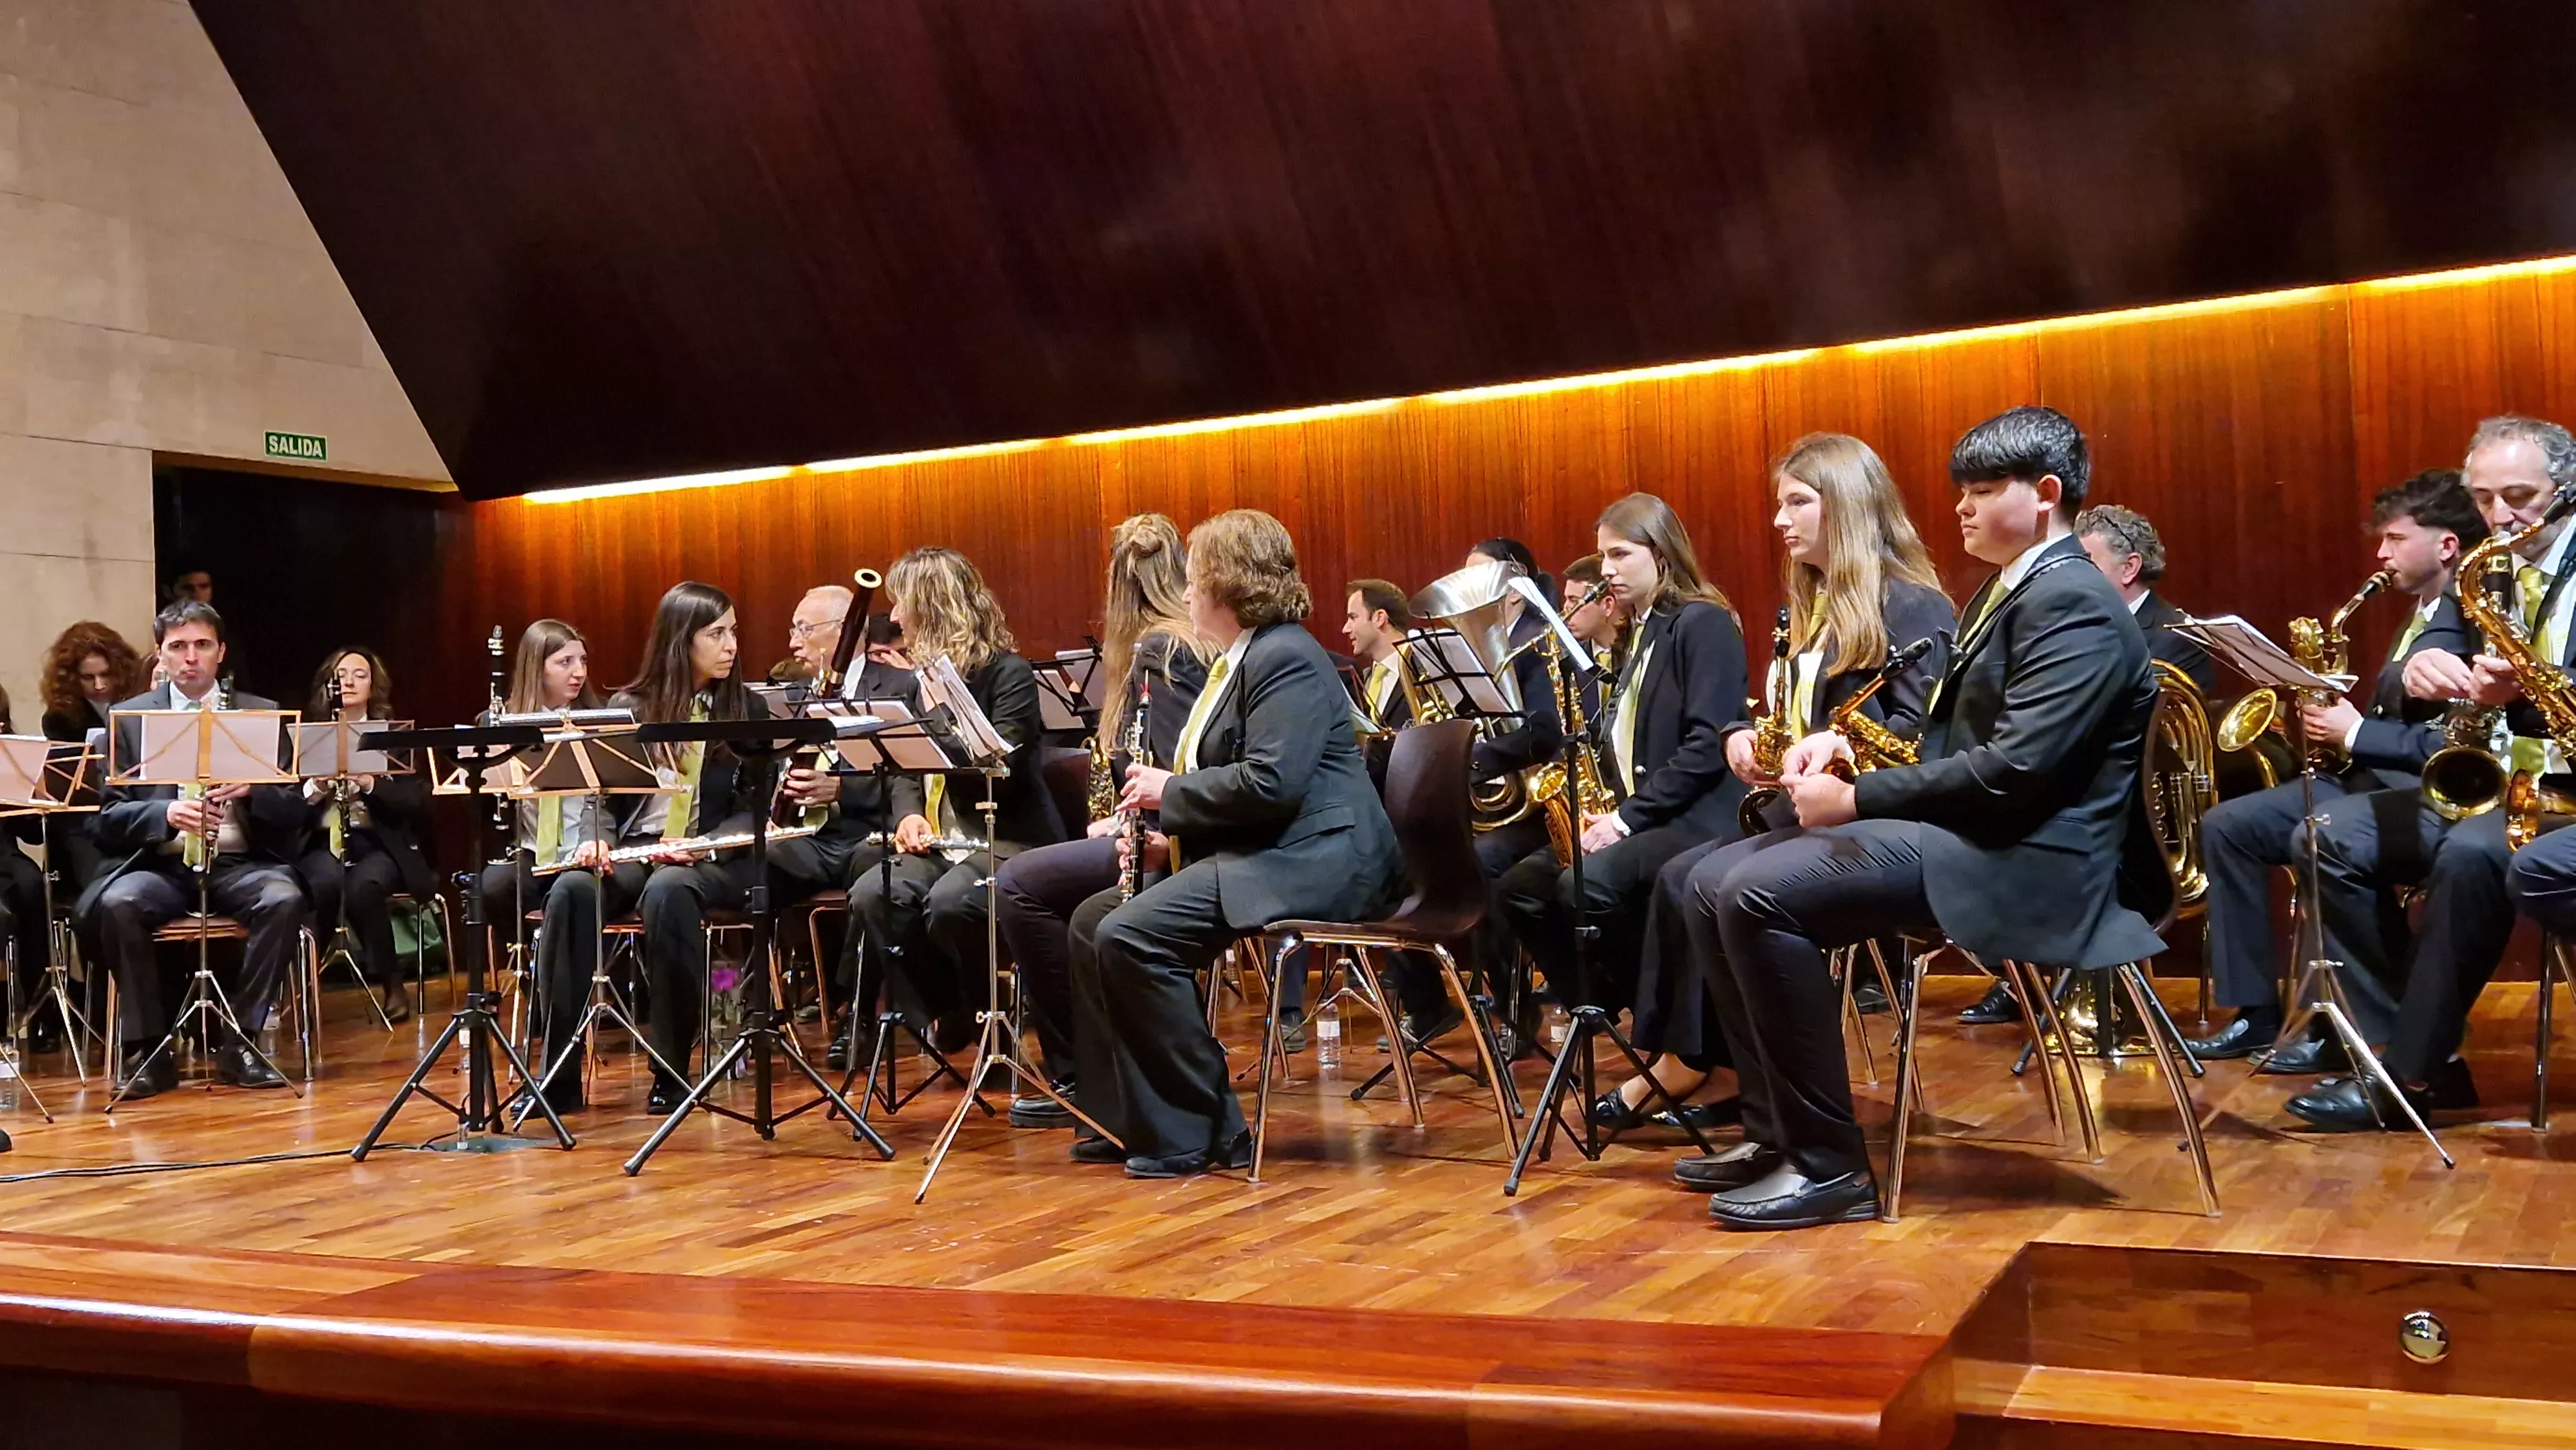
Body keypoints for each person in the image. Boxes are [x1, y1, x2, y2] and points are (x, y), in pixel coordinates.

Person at [1675, 405, 2166, 1229]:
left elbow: (2016, 771)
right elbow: (1954, 739)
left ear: (2045, 494)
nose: (1961, 509)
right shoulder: (2016, 587)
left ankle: (1829, 1168)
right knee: (1707, 876)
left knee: (1755, 890)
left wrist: (1856, 796)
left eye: (1981, 491)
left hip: (2026, 860)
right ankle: (1778, 1135)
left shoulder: (2071, 600)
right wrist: (1837, 743)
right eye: (1960, 492)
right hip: (1978, 834)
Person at [1607, 433, 1954, 1129]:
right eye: (1780, 503)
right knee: (1683, 877)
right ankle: (1732, 1084)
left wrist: (1839, 748)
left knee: (1709, 882)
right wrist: (1746, 736)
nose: (1779, 520)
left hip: (1877, 823)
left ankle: (1772, 1111)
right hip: (1810, 815)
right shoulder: (1812, 611)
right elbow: (1791, 721)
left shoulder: (1913, 604)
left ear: (1848, 506)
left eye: (1797, 501)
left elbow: (1924, 738)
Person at [1063, 508, 1403, 1176]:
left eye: (1194, 579)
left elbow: (1273, 782)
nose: (1185, 593)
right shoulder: (1245, 656)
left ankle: (1204, 1130)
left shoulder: (1285, 657)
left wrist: (1169, 793)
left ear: (1227, 583)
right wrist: (1169, 845)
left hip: (1324, 859)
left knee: (1132, 934)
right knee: (1091, 920)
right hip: (1277, 848)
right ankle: (1130, 1116)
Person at [2286, 417, 2576, 1129]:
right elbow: (2442, 632)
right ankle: (2409, 1044)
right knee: (2323, 835)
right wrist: (2423, 667)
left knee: (2471, 854)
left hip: (2566, 784)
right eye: (2483, 499)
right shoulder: (2486, 561)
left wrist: (2534, 692)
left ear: (2566, 490)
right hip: (2493, 780)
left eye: (2519, 496)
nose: (2499, 516)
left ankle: (2407, 1075)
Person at [2183, 471, 2486, 1063]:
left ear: (2446, 546)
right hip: (2366, 778)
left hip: (2425, 793)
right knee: (2228, 826)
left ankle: (2364, 1028)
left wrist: (2356, 732)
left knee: (2325, 838)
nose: (2381, 554)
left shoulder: (2467, 614)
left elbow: (2453, 744)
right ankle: (2258, 1013)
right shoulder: (2423, 611)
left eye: (2396, 540)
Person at [1495, 495, 1746, 1064]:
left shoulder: (1701, 622)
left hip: (1697, 816)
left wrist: (1625, 819)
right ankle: (1617, 1006)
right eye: (1603, 554)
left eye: (1620, 554)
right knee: (1520, 891)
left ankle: (1683, 1044)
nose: (1605, 568)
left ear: (1659, 554)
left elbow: (1709, 743)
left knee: (1589, 886)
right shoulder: (1645, 630)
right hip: (1647, 811)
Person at [991, 516, 1208, 1121]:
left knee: (1020, 884)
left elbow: (1173, 767)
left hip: (1172, 842)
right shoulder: (1181, 641)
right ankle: (1105, 1064)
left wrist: (1126, 822)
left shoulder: (1161, 651)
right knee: (1056, 892)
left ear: (1116, 582)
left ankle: (1080, 1072)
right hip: (1165, 828)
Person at [81, 601, 308, 1100]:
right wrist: (162, 816)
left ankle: (241, 1042)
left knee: (283, 898)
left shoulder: (262, 714)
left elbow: (296, 810)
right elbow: (105, 820)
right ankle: (150, 1050)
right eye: (178, 647)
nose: (190, 658)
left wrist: (254, 790)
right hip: (161, 861)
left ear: (220, 652)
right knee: (120, 904)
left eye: (202, 646)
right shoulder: (130, 718)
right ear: (160, 655)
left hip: (238, 861)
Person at [844, 549, 1061, 1059]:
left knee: (952, 902)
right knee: (875, 893)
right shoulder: (919, 682)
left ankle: (994, 1020)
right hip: (943, 842)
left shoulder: (1008, 674)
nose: (894, 618)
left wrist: (940, 707)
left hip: (1007, 837)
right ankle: (953, 1008)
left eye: (902, 604)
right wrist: (910, 813)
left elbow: (997, 773)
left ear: (934, 607)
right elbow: (903, 766)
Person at [600, 583, 777, 1112]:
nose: (731, 645)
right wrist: (599, 842)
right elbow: (603, 798)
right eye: (716, 634)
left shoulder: (746, 707)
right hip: (642, 846)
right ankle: (554, 1074)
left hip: (715, 857)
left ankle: (671, 1066)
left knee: (668, 892)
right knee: (571, 891)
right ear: (681, 641)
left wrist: (707, 845)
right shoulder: (628, 707)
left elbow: (756, 805)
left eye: (733, 632)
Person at [477, 619, 626, 1115]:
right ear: (535, 668)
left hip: (585, 851)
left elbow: (613, 805)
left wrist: (596, 845)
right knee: (492, 885)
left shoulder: (601, 723)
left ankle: (555, 1027)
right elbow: (481, 808)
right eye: (565, 662)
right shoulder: (502, 724)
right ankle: (532, 979)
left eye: (582, 660)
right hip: (532, 852)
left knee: (569, 895)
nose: (579, 672)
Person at [767, 583, 916, 1070]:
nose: (794, 642)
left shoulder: (897, 687)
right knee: (752, 863)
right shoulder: (796, 694)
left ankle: (857, 1011)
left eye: (804, 630)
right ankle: (762, 1010)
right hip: (812, 837)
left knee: (874, 870)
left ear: (841, 632)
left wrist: (839, 790)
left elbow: (906, 775)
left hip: (869, 833)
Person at [293, 646, 435, 1024]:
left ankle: (392, 986)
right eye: (341, 675)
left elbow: (416, 800)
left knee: (364, 886)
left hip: (378, 843)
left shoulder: (393, 736)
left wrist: (371, 783)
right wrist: (316, 788)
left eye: (360, 674)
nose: (350, 682)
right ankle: (303, 992)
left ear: (374, 685)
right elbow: (284, 806)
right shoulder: (308, 735)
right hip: (324, 841)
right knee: (322, 884)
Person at [38, 621, 147, 930]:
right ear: (72, 679)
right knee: (101, 889)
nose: (99, 685)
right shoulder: (60, 717)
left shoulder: (139, 705)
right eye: (88, 678)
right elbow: (67, 785)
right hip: (83, 819)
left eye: (106, 674)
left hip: (130, 813)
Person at [2076, 504, 2220, 699]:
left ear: (2129, 568)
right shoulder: (2068, 619)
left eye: (2084, 563)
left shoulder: (2180, 640)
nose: (2071, 575)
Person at [1341, 578, 1413, 736]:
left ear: (1379, 618)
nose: (1345, 629)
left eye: (1353, 618)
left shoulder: (1425, 674)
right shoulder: (1361, 680)